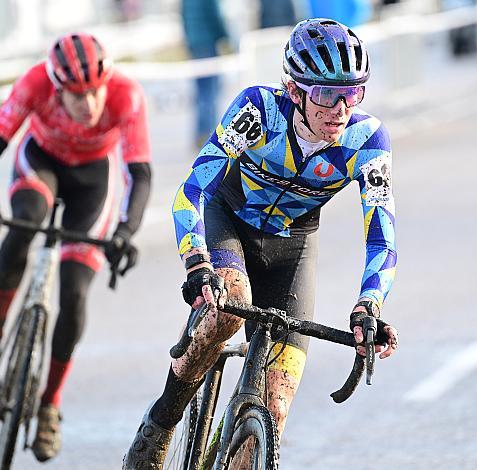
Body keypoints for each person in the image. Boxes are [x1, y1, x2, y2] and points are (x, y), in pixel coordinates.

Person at [122, 18, 400, 469]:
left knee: (276, 408)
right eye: (327, 94)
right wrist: (196, 263)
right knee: (229, 308)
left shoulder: (367, 140)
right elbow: (192, 191)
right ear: (294, 91)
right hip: (230, 223)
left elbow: (382, 232)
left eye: (354, 92)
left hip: (292, 248)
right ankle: (162, 421)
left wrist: (370, 304)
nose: (341, 108)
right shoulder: (258, 111)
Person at [0, 32, 152, 462]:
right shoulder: (34, 83)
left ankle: (50, 404)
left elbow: (139, 174)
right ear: (57, 87)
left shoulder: (127, 96)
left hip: (93, 181)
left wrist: (125, 232)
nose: (88, 103)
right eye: (76, 95)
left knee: (74, 291)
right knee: (23, 224)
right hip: (41, 162)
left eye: (94, 92)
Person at [181, 0, 229, 148]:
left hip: (194, 43)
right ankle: (209, 135)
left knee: (202, 92)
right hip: (208, 42)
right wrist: (225, 37)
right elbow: (215, 16)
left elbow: (184, 17)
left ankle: (201, 133)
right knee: (210, 93)